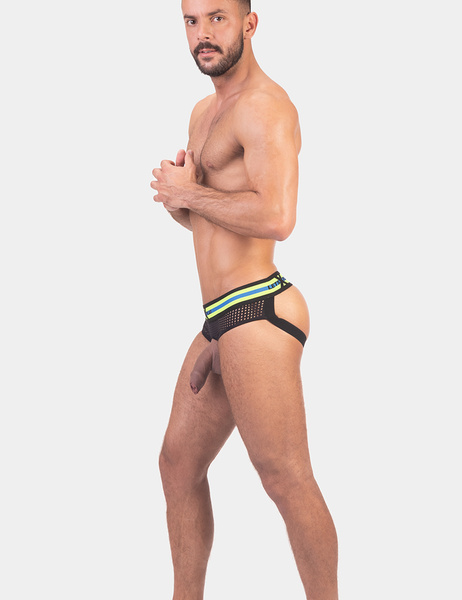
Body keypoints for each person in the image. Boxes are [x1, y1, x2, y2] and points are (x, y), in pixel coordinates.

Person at [151, 1, 338, 598]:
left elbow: (278, 217)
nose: (202, 34)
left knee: (285, 478)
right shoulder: (204, 111)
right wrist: (181, 202)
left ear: (249, 25)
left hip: (260, 310)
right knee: (178, 464)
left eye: (217, 18)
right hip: (219, 318)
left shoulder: (265, 106)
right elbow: (217, 219)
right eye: (191, 21)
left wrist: (192, 196)